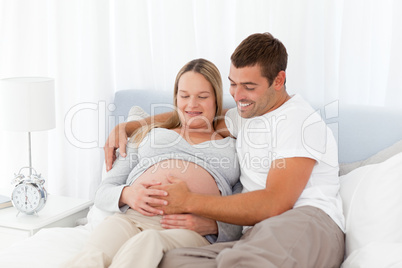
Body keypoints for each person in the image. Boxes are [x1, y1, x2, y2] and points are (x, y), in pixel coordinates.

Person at [104, 33, 345, 268]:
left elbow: (274, 203)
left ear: (279, 80)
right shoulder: (246, 115)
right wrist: (130, 126)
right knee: (169, 260)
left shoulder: (299, 121)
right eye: (233, 84)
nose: (238, 96)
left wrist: (188, 201)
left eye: (249, 86)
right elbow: (190, 117)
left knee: (242, 262)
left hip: (304, 221)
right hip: (256, 232)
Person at [64, 58, 242, 268]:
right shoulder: (148, 134)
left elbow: (242, 211)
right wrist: (128, 194)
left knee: (148, 242)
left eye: (202, 97)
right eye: (184, 96)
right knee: (92, 255)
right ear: (176, 99)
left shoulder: (232, 146)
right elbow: (104, 191)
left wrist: (213, 225)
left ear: (216, 100)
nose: (192, 104)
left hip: (185, 228)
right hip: (130, 218)